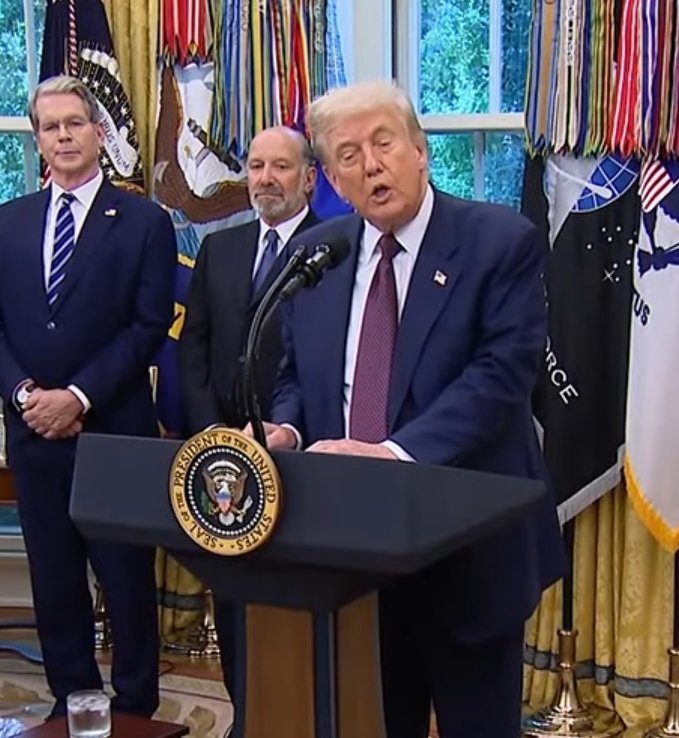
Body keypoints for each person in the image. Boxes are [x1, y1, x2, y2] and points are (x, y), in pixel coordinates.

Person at [253, 80, 565, 738]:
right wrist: (287, 427)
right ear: (332, 178)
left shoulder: (498, 241)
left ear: (419, 151)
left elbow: (499, 378)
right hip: (353, 558)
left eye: (384, 143)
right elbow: (299, 378)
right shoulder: (319, 256)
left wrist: (392, 454)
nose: (371, 164)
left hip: (470, 550)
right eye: (348, 154)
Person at [0, 75, 174, 718]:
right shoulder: (8, 222)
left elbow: (149, 325)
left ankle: (134, 707)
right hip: (33, 433)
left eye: (75, 123)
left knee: (126, 579)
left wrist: (76, 396)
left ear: (99, 133)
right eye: (51, 126)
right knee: (54, 578)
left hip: (113, 433)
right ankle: (71, 700)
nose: (64, 136)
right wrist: (25, 395)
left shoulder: (144, 222)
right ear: (38, 139)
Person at [177, 125, 320, 738]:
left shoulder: (334, 250)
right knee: (233, 599)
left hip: (300, 457)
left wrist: (283, 430)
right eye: (256, 166)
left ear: (309, 178)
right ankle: (245, 719)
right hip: (224, 466)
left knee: (295, 602)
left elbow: (324, 364)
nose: (265, 179)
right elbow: (193, 352)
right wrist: (217, 438)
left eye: (280, 167)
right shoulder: (221, 249)